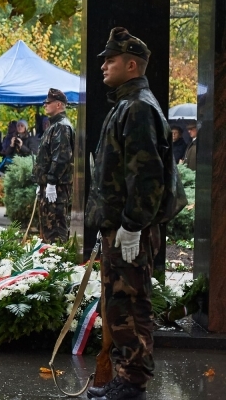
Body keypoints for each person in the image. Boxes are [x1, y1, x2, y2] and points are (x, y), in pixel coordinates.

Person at [85, 27, 186, 400]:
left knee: (130, 304)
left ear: (131, 65)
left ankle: (132, 384)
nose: (104, 67)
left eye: (110, 61)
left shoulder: (139, 107)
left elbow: (146, 177)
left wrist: (131, 225)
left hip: (132, 230)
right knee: (119, 304)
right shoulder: (128, 105)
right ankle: (126, 379)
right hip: (121, 227)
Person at [33, 89, 75, 244]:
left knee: (55, 228)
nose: (45, 105)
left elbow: (61, 157)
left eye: (48, 102)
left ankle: (57, 263)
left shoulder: (62, 127)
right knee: (47, 227)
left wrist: (51, 181)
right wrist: (42, 182)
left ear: (59, 105)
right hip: (50, 185)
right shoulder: (54, 125)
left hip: (57, 186)